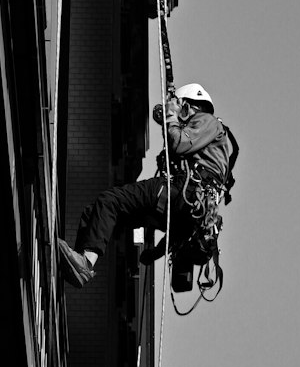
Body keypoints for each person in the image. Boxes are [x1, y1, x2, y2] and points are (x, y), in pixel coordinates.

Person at [58, 82, 235, 289]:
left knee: (109, 201)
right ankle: (80, 262)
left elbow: (178, 143)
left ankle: (85, 263)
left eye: (181, 107)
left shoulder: (208, 121)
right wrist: (155, 253)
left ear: (188, 106)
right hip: (182, 203)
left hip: (180, 191)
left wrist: (170, 115)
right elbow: (178, 227)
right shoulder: (206, 142)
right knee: (95, 212)